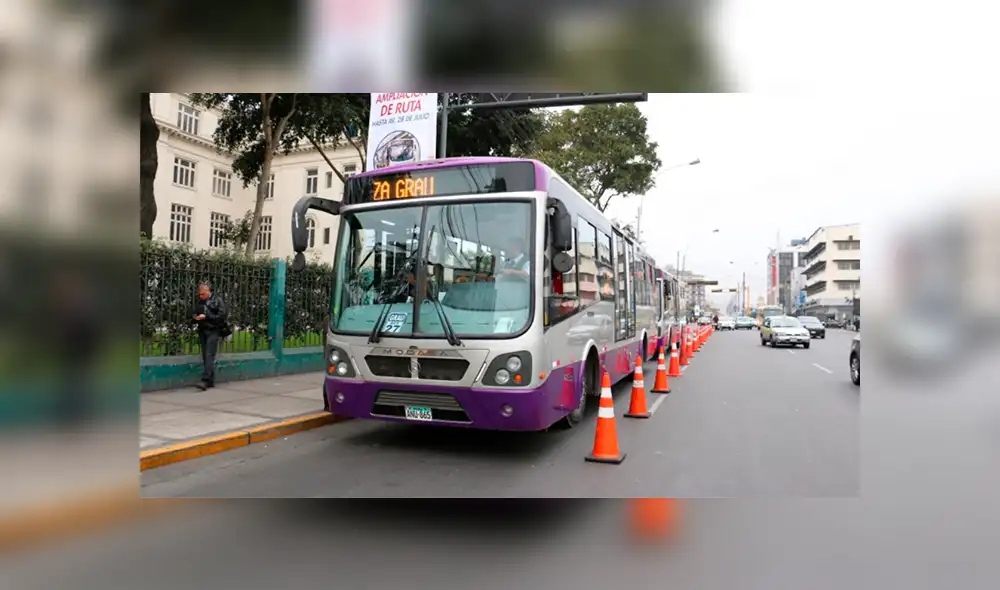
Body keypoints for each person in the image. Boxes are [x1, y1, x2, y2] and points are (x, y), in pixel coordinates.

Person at [193, 282, 227, 390]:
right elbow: (196, 311)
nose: (201, 296)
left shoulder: (217, 300)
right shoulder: (201, 301)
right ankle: (210, 380)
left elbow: (221, 317)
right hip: (203, 330)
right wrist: (195, 317)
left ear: (208, 291)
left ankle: (205, 380)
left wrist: (207, 316)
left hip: (213, 330)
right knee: (205, 355)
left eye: (203, 294)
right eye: (200, 294)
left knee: (209, 354)